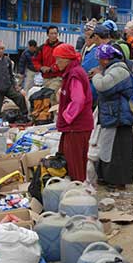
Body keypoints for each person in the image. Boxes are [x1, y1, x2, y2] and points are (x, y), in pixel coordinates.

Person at [92, 44, 133, 189]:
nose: (99, 62)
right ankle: (107, 177)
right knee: (109, 147)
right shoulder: (113, 69)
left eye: (100, 59)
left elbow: (103, 86)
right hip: (114, 114)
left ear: (106, 59)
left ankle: (116, 180)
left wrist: (97, 75)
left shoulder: (118, 71)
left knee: (116, 149)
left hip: (119, 116)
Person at [54, 44, 94, 182]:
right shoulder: (73, 72)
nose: (56, 63)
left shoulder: (75, 74)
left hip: (76, 127)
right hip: (76, 126)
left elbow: (78, 100)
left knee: (75, 162)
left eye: (58, 59)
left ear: (67, 60)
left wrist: (66, 117)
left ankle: (78, 191)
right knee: (75, 160)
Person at [0, 40, 28, 121]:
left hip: (8, 87)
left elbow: (11, 74)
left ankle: (25, 115)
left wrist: (15, 85)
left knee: (20, 97)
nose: (0, 50)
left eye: (2, 49)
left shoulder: (8, 60)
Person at [33, 26, 64, 91]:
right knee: (48, 98)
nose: (54, 35)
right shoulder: (42, 48)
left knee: (49, 95)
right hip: (45, 78)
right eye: (51, 33)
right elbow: (35, 61)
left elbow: (64, 62)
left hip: (58, 77)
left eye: (55, 33)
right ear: (47, 35)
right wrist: (41, 68)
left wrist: (51, 68)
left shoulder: (62, 47)